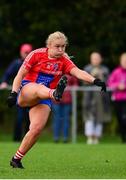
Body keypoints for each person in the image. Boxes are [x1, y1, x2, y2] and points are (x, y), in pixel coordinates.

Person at [7, 31, 106, 168]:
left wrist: (95, 80)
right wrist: (13, 93)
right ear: (49, 46)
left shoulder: (64, 61)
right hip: (27, 90)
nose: (61, 49)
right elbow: (19, 75)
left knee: (36, 129)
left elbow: (78, 72)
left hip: (44, 97)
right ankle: (54, 93)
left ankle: (16, 159)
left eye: (63, 47)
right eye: (57, 46)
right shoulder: (36, 54)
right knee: (39, 88)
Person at [0, 43, 33, 141]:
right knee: (19, 118)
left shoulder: (35, 63)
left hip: (31, 95)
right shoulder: (17, 63)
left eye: (28, 53)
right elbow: (7, 74)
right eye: (25, 52)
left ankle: (28, 140)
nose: (26, 54)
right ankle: (16, 139)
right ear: (21, 53)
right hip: (20, 95)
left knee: (29, 119)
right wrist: (4, 82)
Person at [82, 52, 111, 144]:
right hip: (88, 97)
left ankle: (97, 137)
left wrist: (101, 77)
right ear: (91, 59)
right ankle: (89, 137)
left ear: (101, 59)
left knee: (100, 117)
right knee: (88, 116)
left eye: (97, 58)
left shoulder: (105, 70)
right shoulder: (86, 69)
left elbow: (108, 83)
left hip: (101, 97)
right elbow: (83, 83)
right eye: (94, 58)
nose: (96, 60)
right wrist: (92, 76)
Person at [52, 74, 78, 143]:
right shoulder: (56, 72)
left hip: (67, 100)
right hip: (56, 100)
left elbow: (75, 84)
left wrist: (69, 89)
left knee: (66, 119)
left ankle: (65, 138)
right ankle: (56, 137)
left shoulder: (71, 72)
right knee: (57, 119)